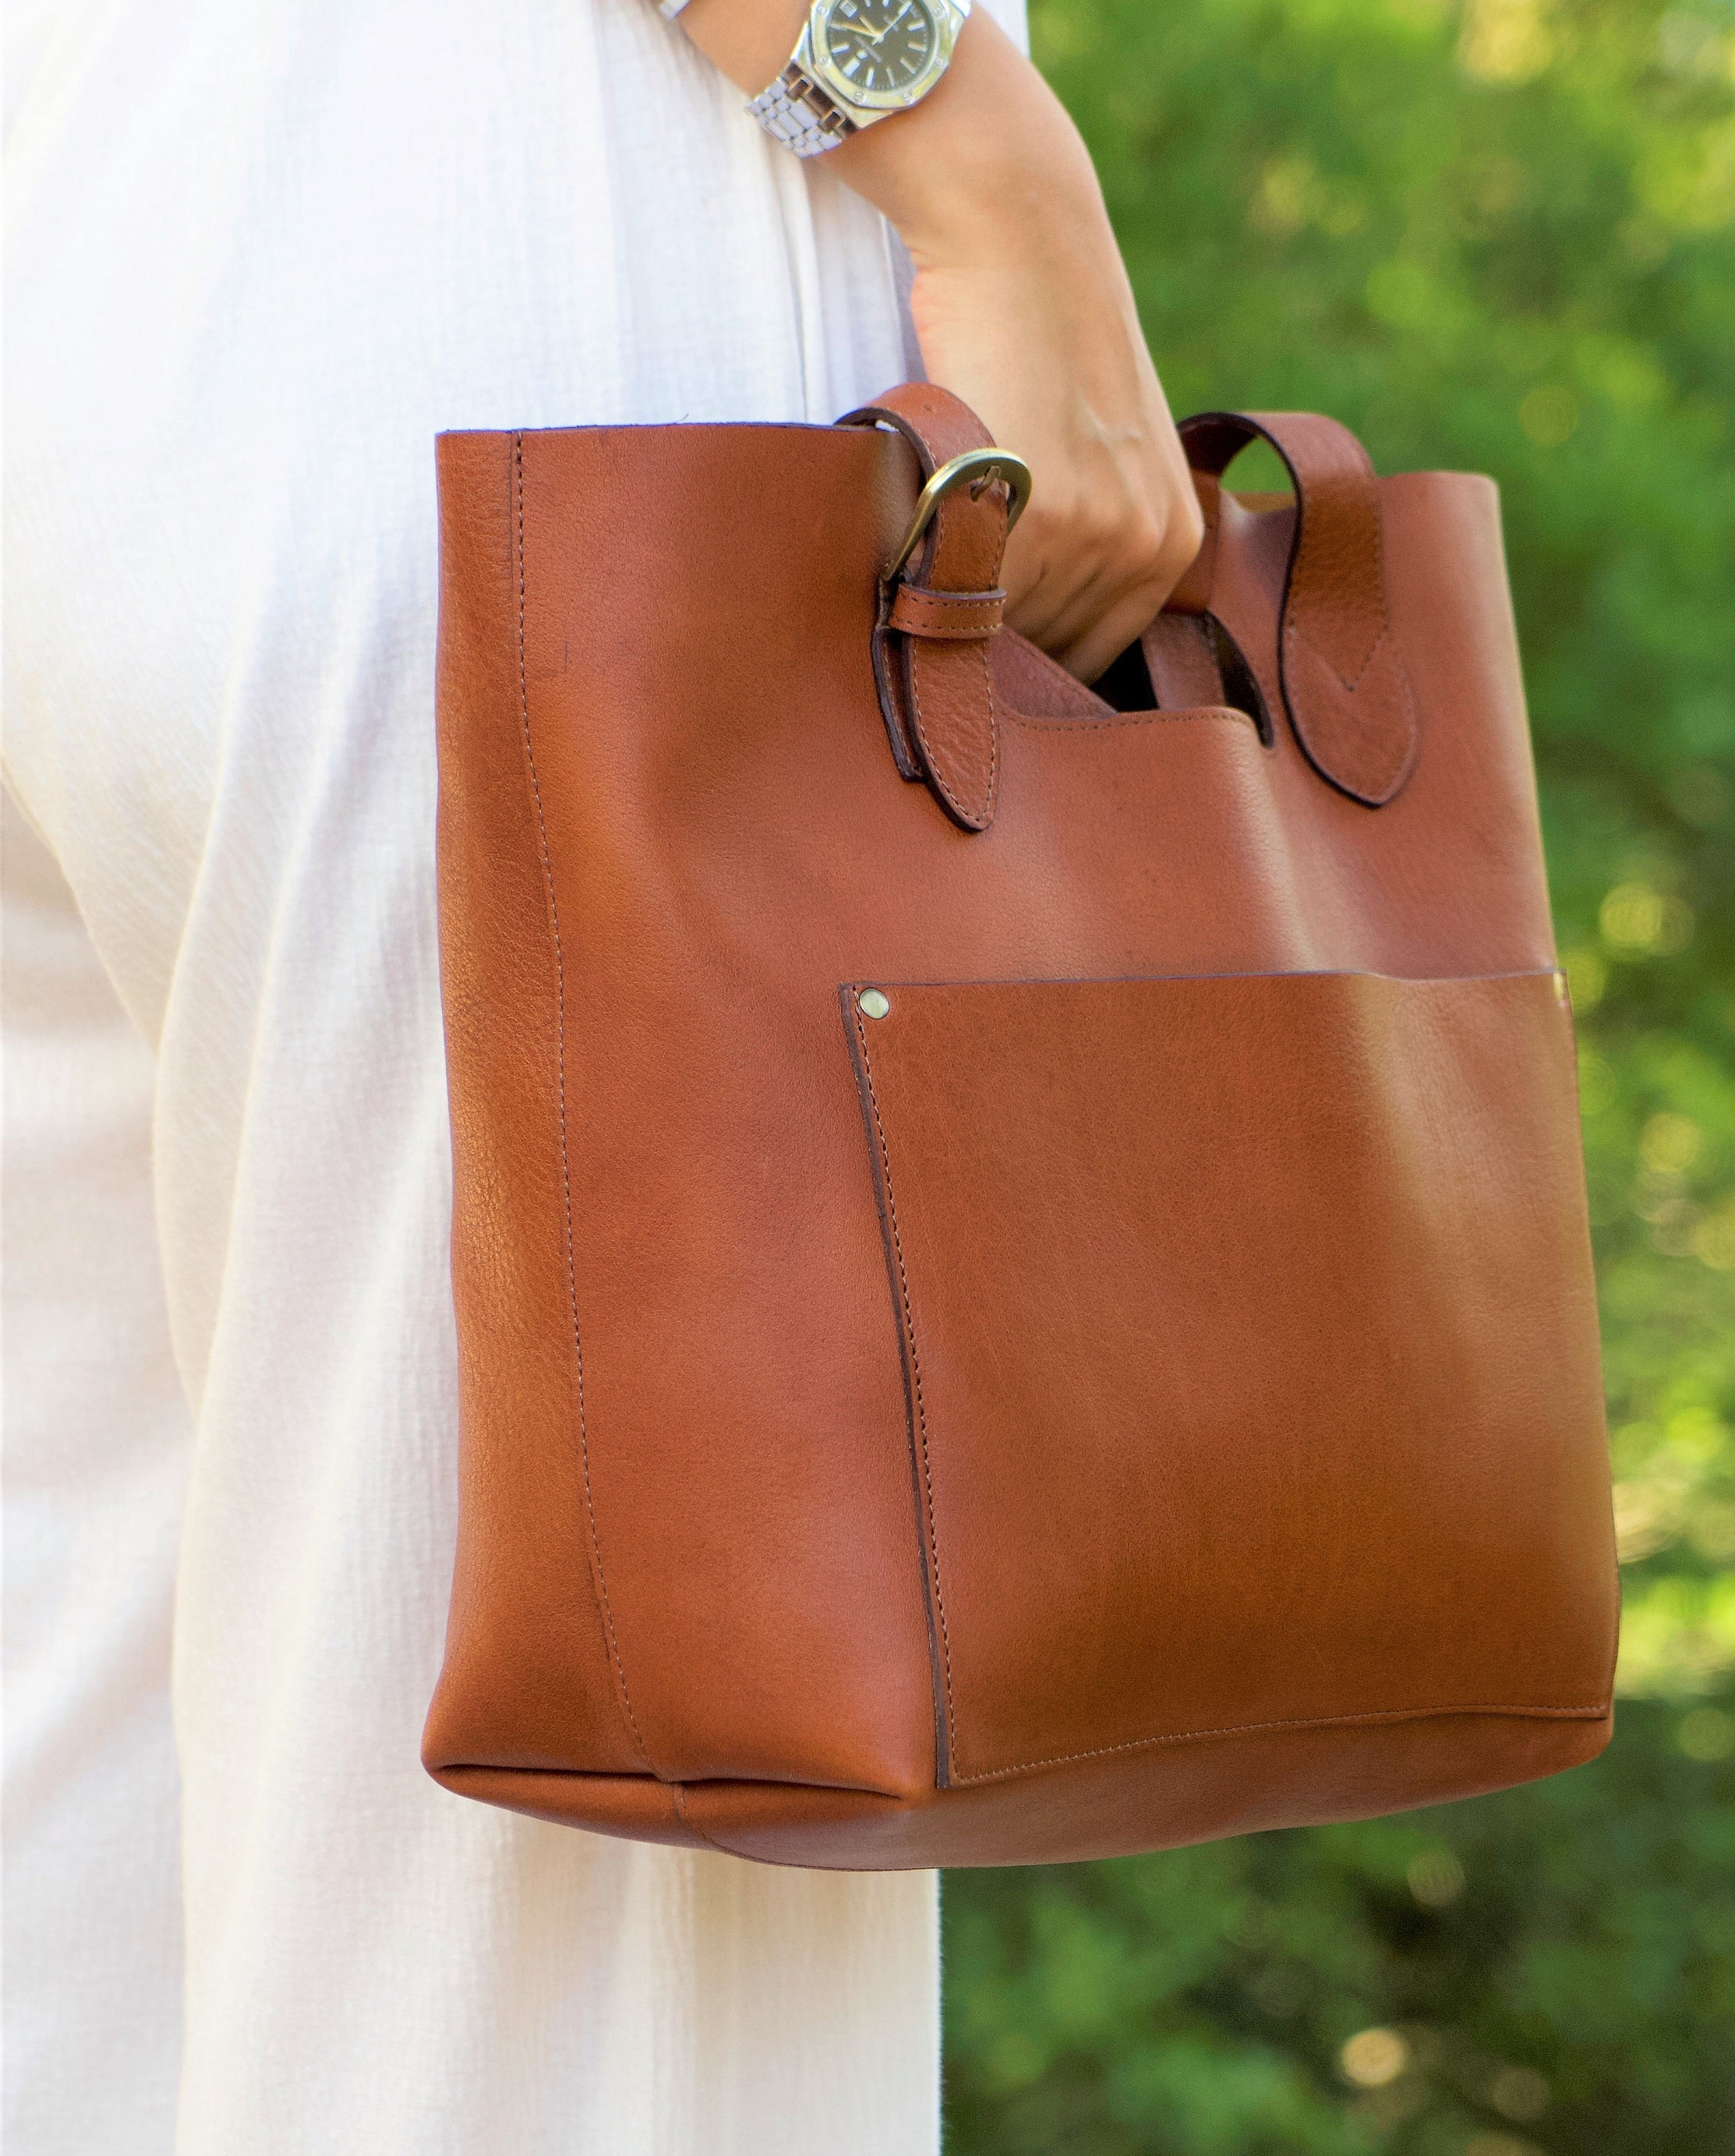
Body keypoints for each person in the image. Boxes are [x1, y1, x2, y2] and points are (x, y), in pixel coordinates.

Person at [1, 0, 1199, 2148]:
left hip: (93, 231)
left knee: (81, 1777)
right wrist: (968, 147)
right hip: (512, 248)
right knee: (584, 1941)